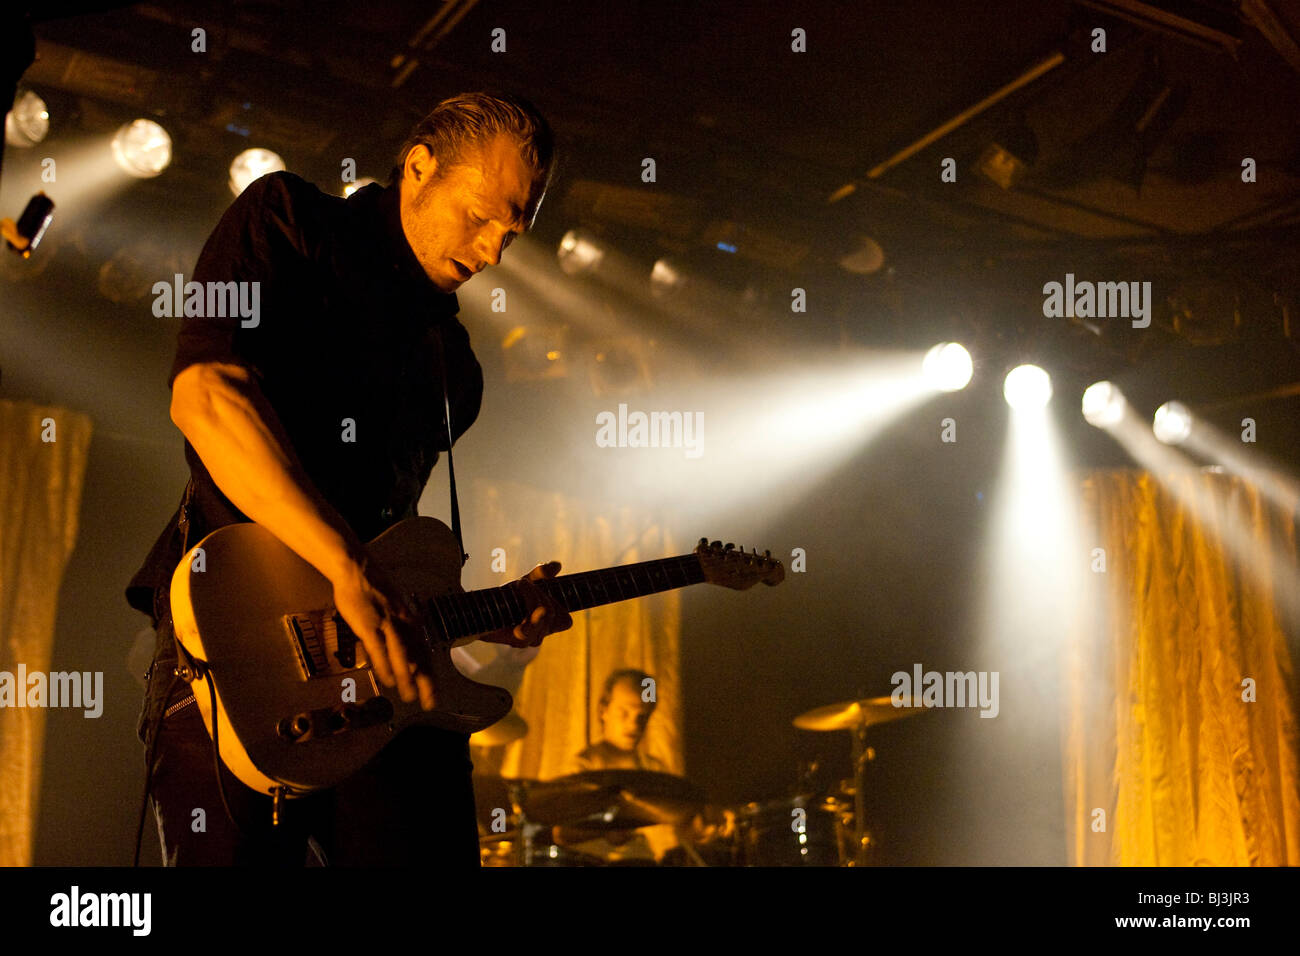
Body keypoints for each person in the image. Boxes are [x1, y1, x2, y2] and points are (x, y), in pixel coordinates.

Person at [124, 91, 572, 866]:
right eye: (480, 215)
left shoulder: (454, 369)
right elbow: (205, 397)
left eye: (515, 228)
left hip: (386, 693)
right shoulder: (290, 221)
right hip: (230, 659)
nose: (496, 249)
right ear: (420, 168)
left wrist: (470, 612)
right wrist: (350, 570)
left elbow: (393, 538)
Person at [555, 668, 675, 862]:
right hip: (591, 861)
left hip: (642, 860)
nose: (634, 724)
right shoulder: (584, 767)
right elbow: (562, 833)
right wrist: (604, 833)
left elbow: (677, 821)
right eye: (624, 712)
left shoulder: (655, 770)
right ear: (604, 710)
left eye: (642, 716)